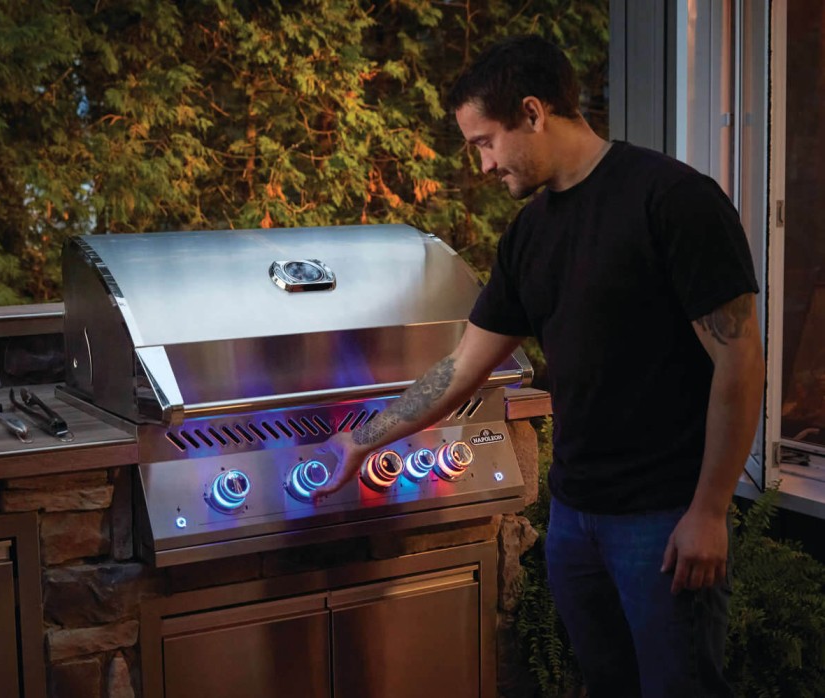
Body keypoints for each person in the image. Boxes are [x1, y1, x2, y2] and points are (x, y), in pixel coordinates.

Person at [311, 34, 765, 697]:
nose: (482, 165)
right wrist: (361, 439)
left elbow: (739, 360)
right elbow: (461, 366)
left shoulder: (673, 199)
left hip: (664, 520)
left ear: (532, 112)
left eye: (485, 142)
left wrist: (710, 510)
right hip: (575, 521)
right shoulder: (530, 232)